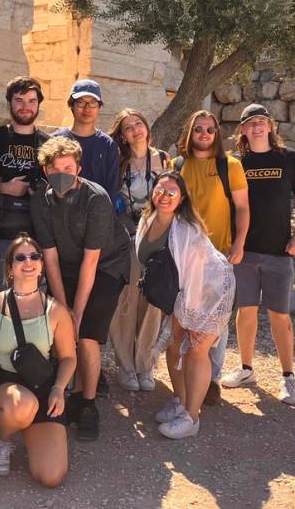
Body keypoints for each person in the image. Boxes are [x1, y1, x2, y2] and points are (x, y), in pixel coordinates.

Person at [30, 137, 131, 441]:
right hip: (67, 264)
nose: (62, 173)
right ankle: (69, 394)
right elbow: (49, 257)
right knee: (62, 330)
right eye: (56, 168)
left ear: (78, 168)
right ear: (46, 169)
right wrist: (62, 308)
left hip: (106, 264)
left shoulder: (94, 198)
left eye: (69, 168)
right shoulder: (41, 200)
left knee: (86, 334)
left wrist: (77, 312)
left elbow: (92, 261)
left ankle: (87, 403)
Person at [220, 105, 295, 404]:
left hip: (278, 251)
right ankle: (246, 368)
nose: (257, 127)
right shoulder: (236, 163)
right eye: (250, 123)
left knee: (280, 316)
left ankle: (288, 377)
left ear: (270, 126)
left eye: (262, 122)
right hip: (244, 251)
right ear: (243, 131)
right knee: (245, 312)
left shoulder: (289, 159)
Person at [0, 234, 77, 486]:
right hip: (6, 387)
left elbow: (69, 358)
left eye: (34, 256)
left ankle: (28, 430)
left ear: (41, 264)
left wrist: (59, 389)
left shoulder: (56, 310)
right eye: (20, 257)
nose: (28, 262)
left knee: (50, 476)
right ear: (10, 267)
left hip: (42, 387)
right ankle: (3, 440)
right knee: (21, 404)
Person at [138, 172, 235, 439]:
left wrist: (189, 316)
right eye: (160, 189)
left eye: (172, 192)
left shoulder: (186, 230)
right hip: (178, 296)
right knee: (173, 346)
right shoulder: (147, 220)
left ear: (182, 199)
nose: (165, 196)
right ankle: (180, 401)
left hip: (206, 296)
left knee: (195, 350)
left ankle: (192, 418)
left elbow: (201, 276)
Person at [174, 109, 250, 405]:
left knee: (217, 321)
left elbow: (243, 208)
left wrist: (239, 243)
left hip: (220, 254)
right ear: (189, 133)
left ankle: (212, 379)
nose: (204, 134)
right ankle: (186, 376)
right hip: (186, 257)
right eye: (198, 129)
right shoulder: (177, 164)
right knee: (185, 317)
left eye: (209, 129)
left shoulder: (229, 166)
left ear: (216, 134)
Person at [107, 108, 169, 392]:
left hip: (158, 239)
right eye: (128, 127)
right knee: (127, 299)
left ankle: (145, 364)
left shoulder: (165, 159)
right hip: (127, 238)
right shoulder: (118, 163)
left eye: (138, 123)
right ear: (121, 134)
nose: (135, 130)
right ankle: (126, 366)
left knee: (153, 303)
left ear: (146, 126)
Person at [0, 77, 50, 289]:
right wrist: (3, 187)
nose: (25, 106)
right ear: (9, 103)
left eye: (32, 101)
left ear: (39, 104)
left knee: (30, 300)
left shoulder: (48, 144)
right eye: (19, 100)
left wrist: (40, 193)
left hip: (35, 236)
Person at [52, 79, 120, 201]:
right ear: (71, 105)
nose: (87, 108)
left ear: (99, 106)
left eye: (93, 102)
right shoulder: (55, 140)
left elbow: (111, 190)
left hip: (95, 213)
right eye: (81, 102)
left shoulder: (108, 145)